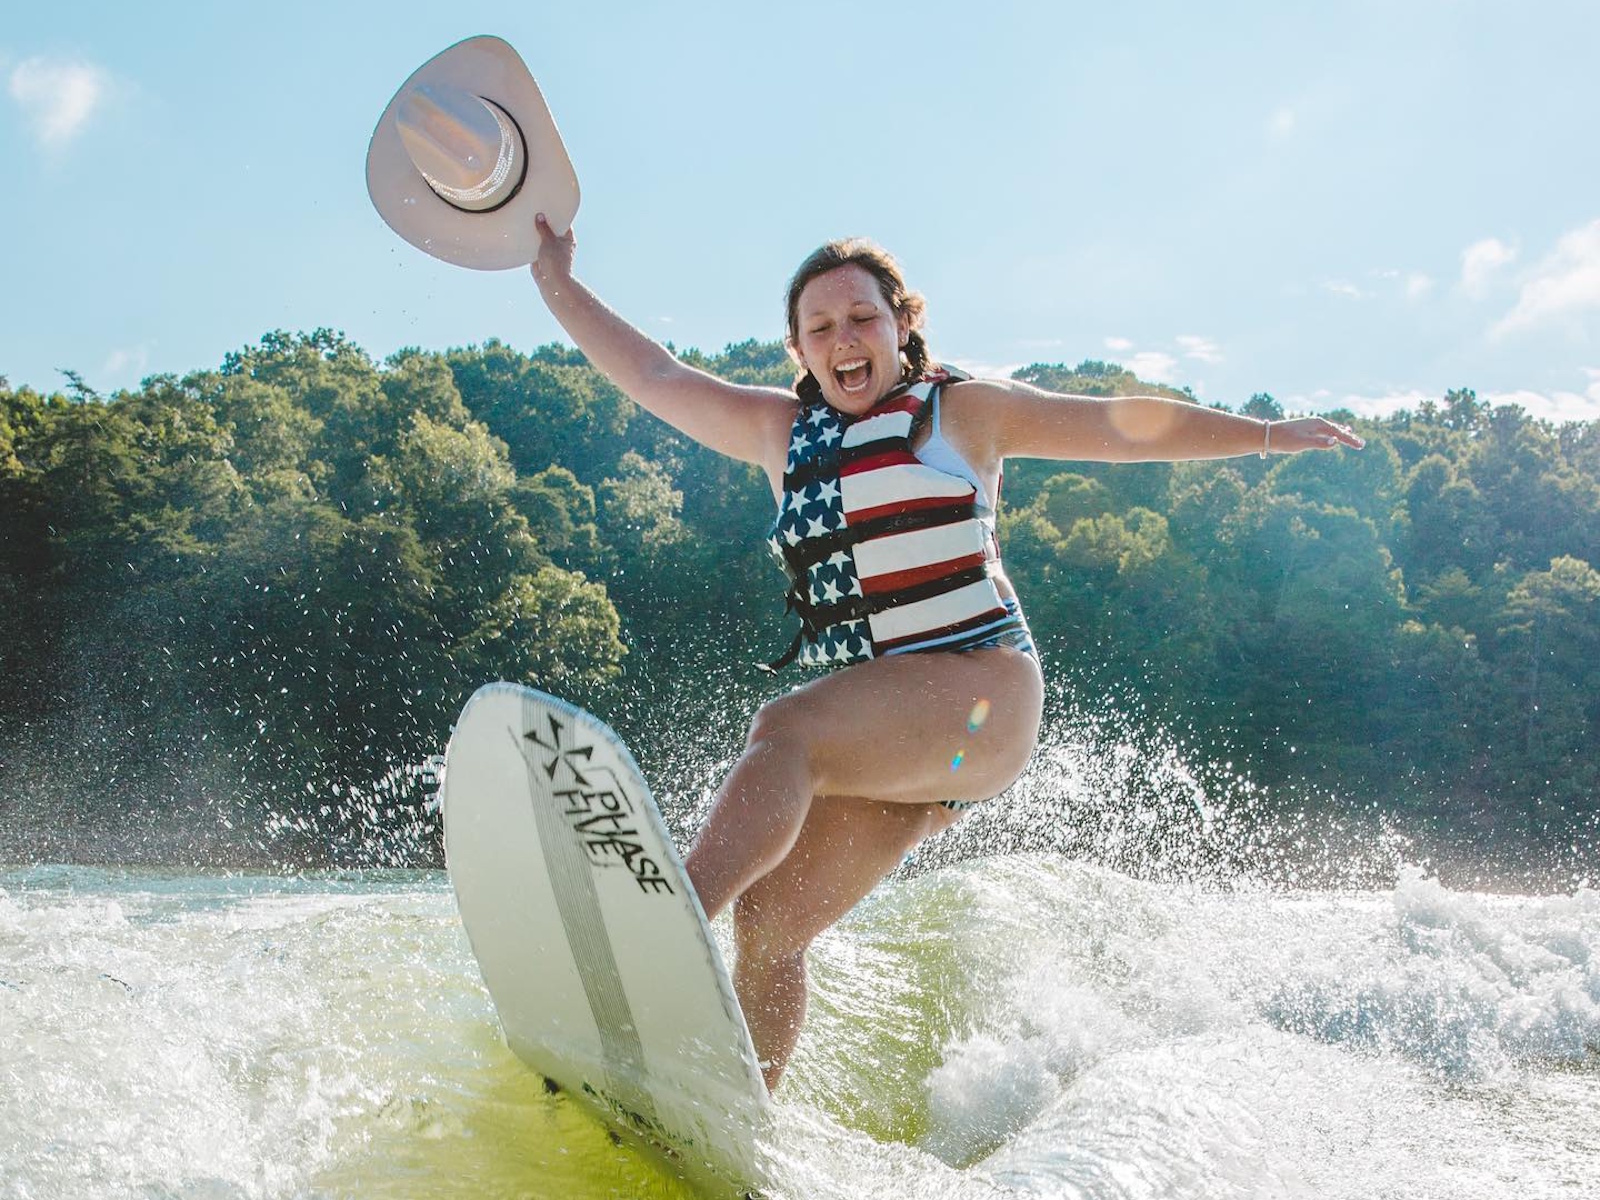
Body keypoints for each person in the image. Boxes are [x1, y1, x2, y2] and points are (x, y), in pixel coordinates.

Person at [529, 216, 1364, 1090]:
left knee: (787, 729)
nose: (844, 340)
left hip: (984, 693)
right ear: (799, 349)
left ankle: (662, 931)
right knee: (771, 927)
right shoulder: (779, 432)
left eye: (863, 318)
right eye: (821, 327)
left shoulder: (960, 413)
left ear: (902, 323)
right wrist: (556, 280)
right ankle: (733, 1116)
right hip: (904, 738)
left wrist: (1267, 434)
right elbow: (655, 374)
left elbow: (1123, 428)